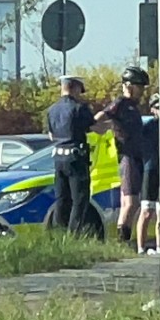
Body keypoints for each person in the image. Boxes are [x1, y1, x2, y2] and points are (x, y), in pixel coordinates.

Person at [94, 66, 150, 243]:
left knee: (132, 202)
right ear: (129, 86)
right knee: (130, 202)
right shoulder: (121, 103)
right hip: (127, 157)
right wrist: (100, 126)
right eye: (140, 87)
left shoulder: (133, 107)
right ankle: (122, 241)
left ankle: (124, 239)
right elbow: (100, 117)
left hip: (136, 157)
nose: (142, 91)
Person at [46, 75, 99, 237]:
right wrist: (112, 124)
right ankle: (73, 236)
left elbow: (51, 135)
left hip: (58, 159)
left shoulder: (52, 110)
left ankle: (58, 235)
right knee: (79, 200)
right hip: (76, 159)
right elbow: (94, 128)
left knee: (62, 199)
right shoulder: (79, 108)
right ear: (75, 88)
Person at [136, 93, 160, 255]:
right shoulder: (148, 127)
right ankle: (141, 248)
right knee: (146, 211)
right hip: (150, 171)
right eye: (158, 107)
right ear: (152, 109)